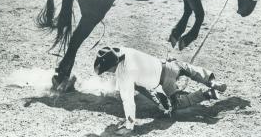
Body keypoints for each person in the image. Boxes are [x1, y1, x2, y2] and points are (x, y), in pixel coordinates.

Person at [94, 46, 227, 135]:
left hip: (164, 84)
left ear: (113, 66)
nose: (109, 72)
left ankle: (206, 94)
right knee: (187, 68)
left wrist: (129, 125)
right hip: (168, 65)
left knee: (175, 105)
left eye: (108, 70)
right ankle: (211, 80)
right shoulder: (124, 50)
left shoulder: (125, 74)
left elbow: (128, 100)